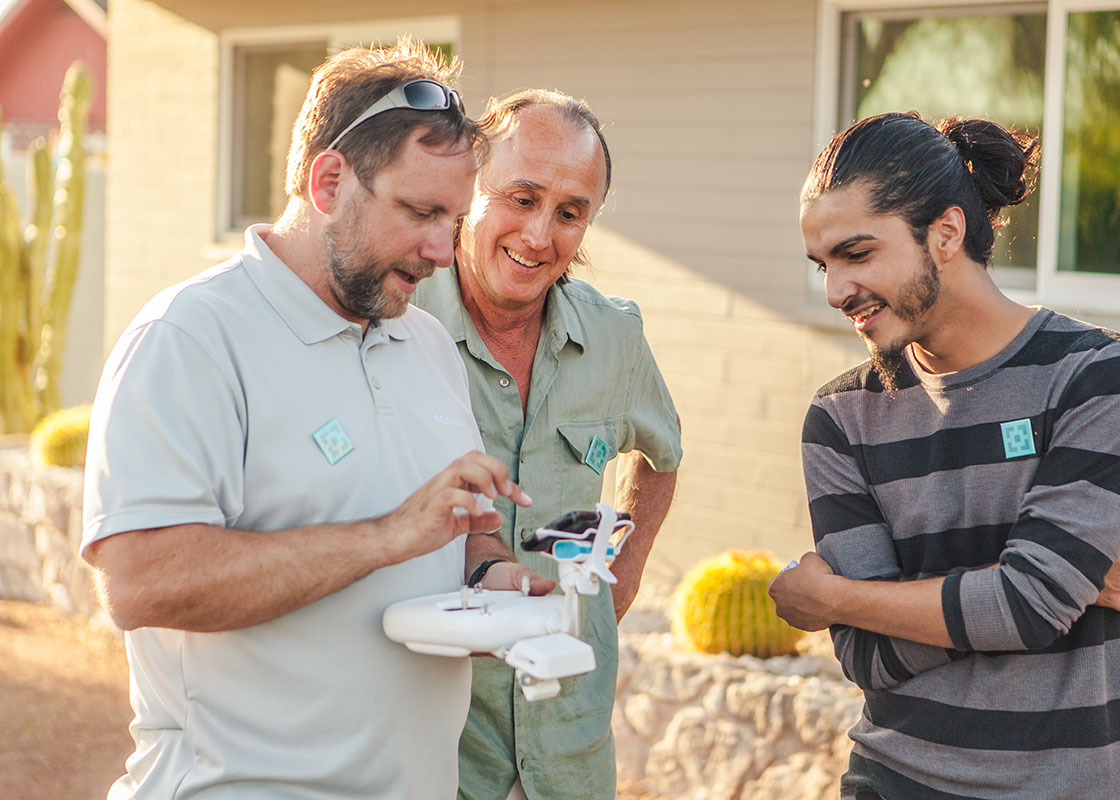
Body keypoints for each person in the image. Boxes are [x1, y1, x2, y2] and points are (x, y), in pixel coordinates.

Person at [81, 40, 553, 799]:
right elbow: (142, 582)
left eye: (455, 218)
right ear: (329, 180)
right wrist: (388, 536)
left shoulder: (426, 340)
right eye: (421, 211)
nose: (443, 248)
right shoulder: (190, 337)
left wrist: (493, 578)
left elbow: (463, 532)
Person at [768, 112, 1120, 799]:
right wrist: (1055, 579)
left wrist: (840, 597)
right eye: (823, 264)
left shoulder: (1102, 376)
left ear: (946, 233)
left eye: (857, 255)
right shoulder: (840, 418)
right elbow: (868, 653)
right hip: (892, 782)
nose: (834, 292)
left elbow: (1028, 606)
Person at [413, 89, 682, 800]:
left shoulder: (616, 336)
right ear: (472, 188)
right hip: (437, 741)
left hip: (569, 736)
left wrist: (620, 581)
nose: (539, 235)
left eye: (570, 213)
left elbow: (662, 458)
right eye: (521, 198)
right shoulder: (401, 326)